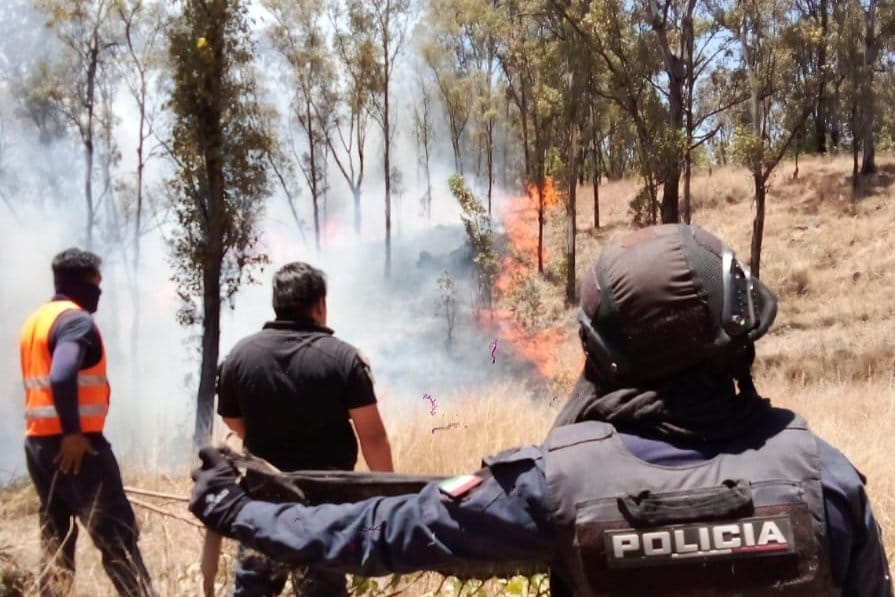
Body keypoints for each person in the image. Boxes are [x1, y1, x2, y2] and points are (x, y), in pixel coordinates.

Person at [192, 225, 892, 596]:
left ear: (604, 353)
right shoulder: (825, 480)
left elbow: (376, 535)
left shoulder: (555, 485)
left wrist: (237, 509)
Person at [216, 261, 394, 596]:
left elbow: (231, 418)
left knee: (253, 589)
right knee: (322, 589)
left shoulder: (240, 356)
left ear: (277, 303)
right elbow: (372, 436)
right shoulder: (343, 359)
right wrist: (389, 499)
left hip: (262, 502)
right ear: (320, 305)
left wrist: (262, 437)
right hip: (324, 508)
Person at [20, 248, 155, 596]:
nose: (100, 293)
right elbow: (62, 375)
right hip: (78, 449)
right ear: (80, 285)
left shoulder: (37, 321)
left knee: (56, 540)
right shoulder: (76, 322)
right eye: (96, 285)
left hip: (38, 446)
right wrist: (73, 434)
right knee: (118, 537)